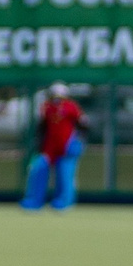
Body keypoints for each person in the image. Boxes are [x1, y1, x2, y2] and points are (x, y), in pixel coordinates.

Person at [22, 83, 87, 212]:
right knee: (38, 170)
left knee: (65, 175)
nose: (57, 99)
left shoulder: (72, 107)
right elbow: (42, 128)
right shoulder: (46, 108)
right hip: (49, 149)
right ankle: (34, 201)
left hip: (65, 149)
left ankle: (63, 203)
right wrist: (39, 145)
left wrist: (77, 142)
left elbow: (84, 125)